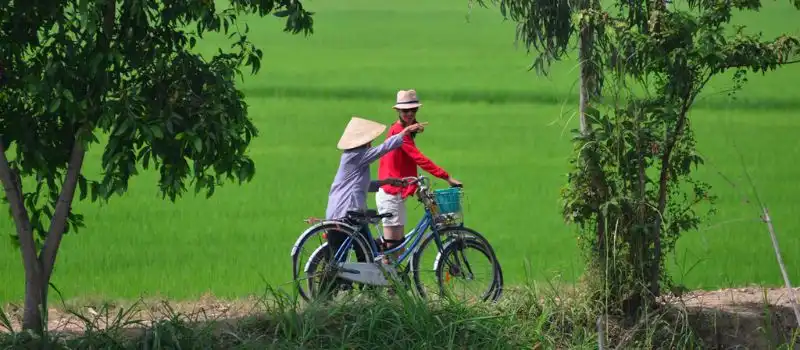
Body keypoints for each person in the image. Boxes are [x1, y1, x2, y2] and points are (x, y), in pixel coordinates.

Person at [322, 116, 425, 278]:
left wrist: (388, 181)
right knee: (353, 258)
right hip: (345, 214)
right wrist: (404, 133)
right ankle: (340, 293)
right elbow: (382, 149)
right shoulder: (355, 155)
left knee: (366, 255)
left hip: (349, 213)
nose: (371, 142)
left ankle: (369, 292)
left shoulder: (355, 157)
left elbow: (363, 185)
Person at [375, 89, 462, 258]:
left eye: (413, 110)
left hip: (397, 191)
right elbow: (418, 158)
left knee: (397, 248)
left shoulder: (404, 130)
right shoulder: (398, 132)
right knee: (393, 251)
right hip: (391, 193)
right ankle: (385, 281)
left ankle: (393, 282)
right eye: (405, 110)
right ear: (398, 111)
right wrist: (446, 177)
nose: (409, 113)